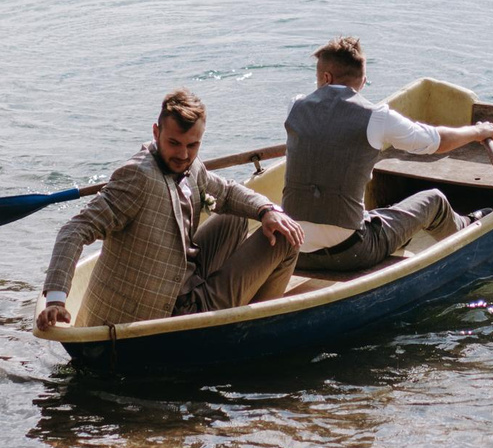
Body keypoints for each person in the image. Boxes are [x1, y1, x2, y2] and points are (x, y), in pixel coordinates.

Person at [36, 89, 302, 333]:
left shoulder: (191, 165)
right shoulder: (137, 177)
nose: (184, 155)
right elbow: (74, 230)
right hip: (168, 314)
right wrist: (56, 299)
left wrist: (267, 210)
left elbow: (228, 192)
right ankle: (253, 330)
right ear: (156, 132)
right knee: (286, 241)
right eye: (174, 143)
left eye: (192, 145)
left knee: (241, 216)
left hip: (185, 279)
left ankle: (235, 307)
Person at [280, 37, 493, 276]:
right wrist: (478, 132)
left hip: (292, 250)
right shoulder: (375, 117)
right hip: (349, 254)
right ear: (361, 81)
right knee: (434, 201)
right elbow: (436, 141)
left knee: (373, 215)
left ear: (326, 77)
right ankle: (466, 229)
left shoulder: (295, 106)